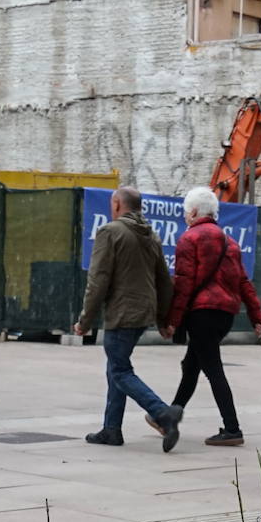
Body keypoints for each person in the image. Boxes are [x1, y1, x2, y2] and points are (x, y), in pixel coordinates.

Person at [72, 186, 182, 451]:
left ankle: (162, 413)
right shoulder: (151, 235)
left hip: (122, 312)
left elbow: (98, 280)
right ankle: (111, 429)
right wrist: (163, 319)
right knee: (116, 368)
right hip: (143, 311)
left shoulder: (110, 232)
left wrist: (84, 320)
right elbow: (163, 282)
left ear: (118, 204)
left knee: (120, 370)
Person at [158, 186, 261, 447]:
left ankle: (232, 428)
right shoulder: (231, 243)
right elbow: (243, 282)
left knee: (213, 369)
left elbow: (184, 285)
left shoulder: (189, 239)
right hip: (225, 314)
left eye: (186, 212)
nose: (185, 217)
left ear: (194, 212)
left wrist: (172, 320)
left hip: (202, 314)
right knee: (192, 364)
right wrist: (256, 315)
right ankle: (170, 415)